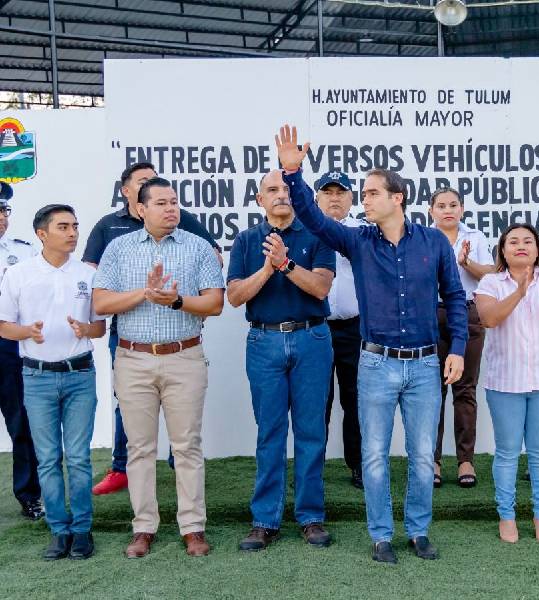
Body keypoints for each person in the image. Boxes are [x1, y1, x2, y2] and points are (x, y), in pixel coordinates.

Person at [275, 125, 467, 565]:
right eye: (363, 194)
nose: (365, 200)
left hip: (424, 366)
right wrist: (292, 171)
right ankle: (381, 534)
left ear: (397, 198)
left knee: (422, 459)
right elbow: (313, 216)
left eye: (372, 193)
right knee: (375, 457)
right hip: (376, 364)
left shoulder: (433, 241)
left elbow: (454, 297)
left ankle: (418, 531)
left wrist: (456, 347)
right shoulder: (357, 240)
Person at [93, 177, 225, 558]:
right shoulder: (118, 249)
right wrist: (145, 295)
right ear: (140, 209)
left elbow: (215, 304)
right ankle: (143, 527)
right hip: (133, 359)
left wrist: (177, 301)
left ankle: (193, 527)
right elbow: (101, 303)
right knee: (139, 448)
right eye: (162, 203)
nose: (171, 209)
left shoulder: (197, 246)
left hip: (184, 357)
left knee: (187, 446)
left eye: (174, 202)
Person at [228, 171, 335, 551]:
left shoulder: (319, 235)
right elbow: (236, 296)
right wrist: (267, 268)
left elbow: (321, 286)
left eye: (287, 189)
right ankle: (265, 520)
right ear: (259, 199)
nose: (281, 195)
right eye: (272, 190)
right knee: (269, 432)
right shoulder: (245, 241)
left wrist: (287, 265)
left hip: (312, 338)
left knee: (310, 432)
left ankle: (310, 517)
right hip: (264, 340)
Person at [0, 204, 105, 560]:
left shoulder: (88, 274)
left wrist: (85, 329)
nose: (73, 232)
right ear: (42, 234)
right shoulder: (19, 274)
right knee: (47, 458)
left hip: (80, 375)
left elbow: (99, 328)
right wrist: (27, 332)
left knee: (77, 458)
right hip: (37, 378)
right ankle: (58, 531)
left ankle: (82, 530)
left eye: (75, 225)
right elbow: (3, 326)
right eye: (64, 227)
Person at [474, 223, 539, 543]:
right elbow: (489, 319)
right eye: (513, 241)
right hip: (505, 382)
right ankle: (507, 516)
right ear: (502, 250)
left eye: (527, 241)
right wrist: (519, 291)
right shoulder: (491, 282)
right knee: (506, 452)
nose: (521, 245)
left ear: (537, 249)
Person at [428, 187, 493, 488]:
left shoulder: (475, 238)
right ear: (431, 211)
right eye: (441, 205)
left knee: (465, 390)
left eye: (453, 205)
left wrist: (466, 263)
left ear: (462, 209)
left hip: (467, 313)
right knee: (432, 392)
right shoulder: (422, 237)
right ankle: (434, 460)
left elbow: (490, 274)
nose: (447, 210)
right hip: (430, 315)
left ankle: (465, 460)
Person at [315, 170, 367, 489]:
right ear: (317, 198)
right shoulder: (305, 231)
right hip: (316, 327)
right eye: (328, 192)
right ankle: (313, 467)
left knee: (357, 399)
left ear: (351, 198)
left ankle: (359, 465)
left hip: (355, 328)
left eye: (341, 192)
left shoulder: (363, 233)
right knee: (316, 401)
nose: (334, 198)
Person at [0, 185, 43, 521]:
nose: (2, 218)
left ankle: (30, 495)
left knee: (22, 422)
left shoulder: (24, 252)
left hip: (10, 345)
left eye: (4, 211)